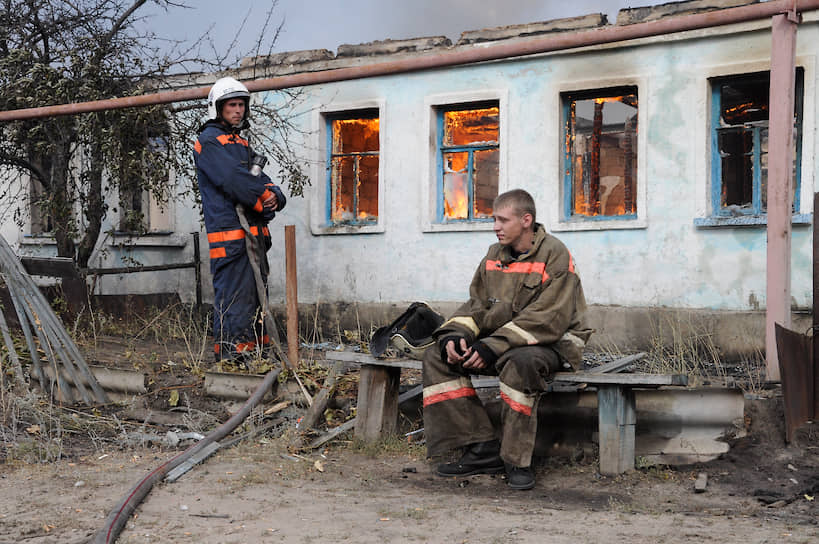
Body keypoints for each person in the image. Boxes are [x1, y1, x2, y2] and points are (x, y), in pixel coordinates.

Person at [423, 188, 593, 490]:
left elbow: (547, 319)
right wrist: (455, 335)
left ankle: (517, 460)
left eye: (503, 220)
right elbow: (477, 305)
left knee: (520, 363)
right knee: (438, 356)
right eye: (494, 219)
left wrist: (491, 346)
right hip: (504, 342)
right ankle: (480, 447)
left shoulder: (556, 255)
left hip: (553, 344)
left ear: (526, 220)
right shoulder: (493, 256)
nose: (495, 227)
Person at [193, 76, 286, 362]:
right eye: (232, 105)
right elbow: (234, 180)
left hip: (253, 237)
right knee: (236, 301)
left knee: (256, 300)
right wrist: (262, 200)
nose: (238, 110)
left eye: (241, 105)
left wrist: (274, 197)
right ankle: (234, 361)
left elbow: (264, 184)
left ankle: (255, 357)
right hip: (232, 238)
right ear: (218, 108)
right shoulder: (208, 142)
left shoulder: (240, 144)